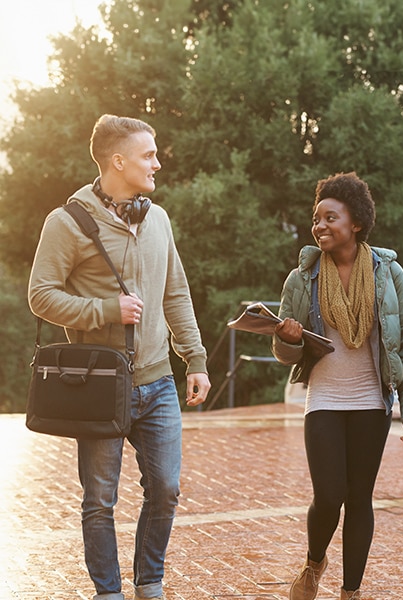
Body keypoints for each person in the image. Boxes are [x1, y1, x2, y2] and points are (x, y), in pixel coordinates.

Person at [28, 114, 211, 600]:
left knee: (166, 489)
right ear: (118, 160)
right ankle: (108, 592)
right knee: (99, 501)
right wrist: (104, 310)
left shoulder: (159, 219)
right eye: (148, 154)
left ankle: (149, 583)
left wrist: (194, 358)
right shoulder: (66, 222)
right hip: (99, 386)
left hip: (157, 382)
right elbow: (40, 295)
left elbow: (177, 292)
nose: (157, 162)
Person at [272, 171, 403, 600]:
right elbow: (286, 355)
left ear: (355, 222)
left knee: (359, 498)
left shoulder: (388, 274)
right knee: (329, 494)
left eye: (330, 218)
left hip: (371, 401)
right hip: (323, 396)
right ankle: (314, 561)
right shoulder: (302, 278)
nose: (320, 226)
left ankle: (351, 592)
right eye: (316, 219)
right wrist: (285, 339)